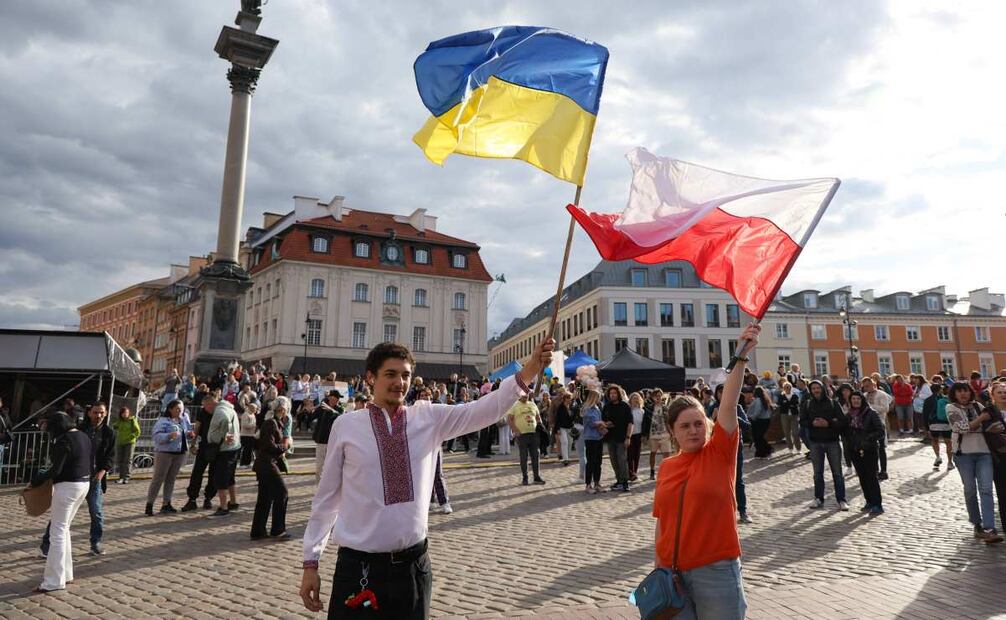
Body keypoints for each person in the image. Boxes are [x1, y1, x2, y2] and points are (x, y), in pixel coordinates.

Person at [299, 338, 554, 618]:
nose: (400, 382)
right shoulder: (346, 425)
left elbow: (485, 409)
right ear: (370, 378)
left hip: (412, 568)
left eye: (406, 375)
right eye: (391, 374)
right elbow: (327, 498)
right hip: (358, 569)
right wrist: (311, 562)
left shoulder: (429, 418)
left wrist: (531, 367)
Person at [651, 324, 760, 619]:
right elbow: (662, 520)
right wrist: (658, 564)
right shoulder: (667, 467)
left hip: (716, 571)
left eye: (699, 423)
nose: (694, 430)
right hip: (671, 575)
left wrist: (740, 356)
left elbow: (729, 403)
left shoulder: (720, 453)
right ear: (673, 432)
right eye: (685, 426)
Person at [30, 412, 92, 592]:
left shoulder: (64, 440)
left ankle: (53, 581)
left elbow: (56, 470)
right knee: (64, 530)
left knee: (57, 533)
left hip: (67, 487)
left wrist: (38, 477)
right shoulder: (83, 436)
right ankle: (66, 574)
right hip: (84, 483)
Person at [945, 383, 1003, 544]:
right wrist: (981, 419)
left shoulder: (978, 405)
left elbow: (989, 424)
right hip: (963, 454)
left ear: (970, 392)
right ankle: (977, 523)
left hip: (984, 452)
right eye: (959, 391)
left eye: (966, 390)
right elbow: (961, 427)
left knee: (986, 489)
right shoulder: (951, 408)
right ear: (954, 394)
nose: (963, 394)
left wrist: (989, 425)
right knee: (970, 490)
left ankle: (990, 528)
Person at [800, 380, 849, 510]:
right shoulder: (807, 404)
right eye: (813, 388)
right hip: (815, 442)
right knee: (817, 473)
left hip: (832, 441)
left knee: (837, 472)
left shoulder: (833, 403)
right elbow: (802, 420)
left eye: (818, 388)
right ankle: (818, 498)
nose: (816, 390)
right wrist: (812, 423)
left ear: (822, 389)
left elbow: (842, 421)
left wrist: (828, 423)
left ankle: (841, 499)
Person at [251, 396, 291, 540]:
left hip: (266, 464)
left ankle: (258, 531)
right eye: (282, 409)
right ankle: (278, 529)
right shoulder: (271, 423)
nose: (284, 411)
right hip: (267, 464)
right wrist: (284, 447)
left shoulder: (277, 423)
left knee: (265, 498)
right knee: (282, 493)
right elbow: (268, 445)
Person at [146, 399, 194, 516]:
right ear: (170, 409)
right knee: (158, 478)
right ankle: (150, 504)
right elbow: (156, 436)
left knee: (171, 479)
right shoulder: (163, 421)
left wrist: (189, 434)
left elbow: (187, 430)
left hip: (180, 452)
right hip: (165, 452)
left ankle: (166, 503)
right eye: (177, 409)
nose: (180, 411)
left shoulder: (184, 419)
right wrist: (168, 436)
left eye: (181, 409)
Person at [846, 391, 885, 515]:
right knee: (862, 477)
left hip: (869, 449)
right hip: (855, 449)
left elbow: (880, 431)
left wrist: (867, 439)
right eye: (853, 399)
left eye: (858, 399)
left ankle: (877, 503)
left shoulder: (871, 413)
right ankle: (869, 501)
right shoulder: (849, 415)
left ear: (862, 400)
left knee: (871, 477)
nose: (856, 401)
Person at [181, 394, 218, 511]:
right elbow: (197, 427)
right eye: (205, 406)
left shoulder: (220, 411)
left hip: (217, 447)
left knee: (213, 474)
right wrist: (193, 443)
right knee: (197, 473)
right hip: (204, 446)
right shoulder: (202, 412)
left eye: (210, 405)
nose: (208, 408)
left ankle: (208, 498)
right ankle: (192, 499)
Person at [207, 395, 242, 517]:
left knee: (221, 478)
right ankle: (233, 502)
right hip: (233, 448)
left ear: (210, 403)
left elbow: (225, 421)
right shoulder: (229, 408)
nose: (206, 410)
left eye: (206, 406)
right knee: (230, 477)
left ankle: (223, 507)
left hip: (224, 449)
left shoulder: (220, 411)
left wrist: (224, 434)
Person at [507, 392, 546, 485]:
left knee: (535, 456)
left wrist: (539, 425)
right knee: (524, 457)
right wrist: (515, 430)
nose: (525, 396)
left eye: (527, 395)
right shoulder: (515, 405)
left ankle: (536, 477)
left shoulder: (533, 404)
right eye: (523, 395)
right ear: (520, 395)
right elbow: (510, 419)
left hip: (534, 434)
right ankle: (525, 477)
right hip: (522, 435)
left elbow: (538, 417)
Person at [602, 385, 633, 492]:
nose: (612, 395)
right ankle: (619, 480)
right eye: (611, 393)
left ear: (618, 394)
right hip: (610, 438)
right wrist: (606, 424)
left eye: (614, 393)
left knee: (622, 460)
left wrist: (628, 437)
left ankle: (625, 482)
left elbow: (630, 423)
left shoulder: (625, 406)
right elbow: (603, 422)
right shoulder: (607, 407)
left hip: (622, 438)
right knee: (614, 461)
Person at [861, 377, 893, 480]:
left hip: (879, 423)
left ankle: (883, 471)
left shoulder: (881, 394)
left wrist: (871, 407)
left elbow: (885, 408)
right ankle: (874, 469)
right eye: (865, 386)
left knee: (881, 448)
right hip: (867, 425)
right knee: (871, 449)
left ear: (873, 384)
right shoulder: (864, 396)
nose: (867, 388)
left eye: (868, 385)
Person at [313, 391, 343, 482]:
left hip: (334, 443)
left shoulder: (340, 409)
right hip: (321, 441)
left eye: (338, 398)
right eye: (336, 397)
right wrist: (308, 409)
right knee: (319, 468)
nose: (337, 399)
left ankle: (331, 489)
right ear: (330, 398)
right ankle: (319, 489)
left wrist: (331, 410)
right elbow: (312, 416)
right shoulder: (322, 408)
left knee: (333, 468)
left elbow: (341, 416)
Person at [580, 388, 607, 493]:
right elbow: (592, 423)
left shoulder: (597, 408)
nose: (599, 398)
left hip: (599, 437)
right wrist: (603, 423)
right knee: (590, 462)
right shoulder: (587, 409)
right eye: (598, 397)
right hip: (590, 438)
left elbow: (599, 423)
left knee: (598, 462)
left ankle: (597, 483)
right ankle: (588, 485)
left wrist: (603, 425)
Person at [923, 380, 953, 471]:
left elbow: (925, 414)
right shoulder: (946, 399)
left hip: (933, 424)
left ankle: (938, 457)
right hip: (945, 423)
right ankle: (950, 462)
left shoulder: (927, 400)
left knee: (935, 440)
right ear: (940, 390)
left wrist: (926, 427)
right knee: (948, 442)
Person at [646, 389, 672, 480]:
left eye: (659, 395)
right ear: (653, 397)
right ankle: (652, 472)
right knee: (653, 453)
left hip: (665, 435)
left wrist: (671, 433)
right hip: (653, 435)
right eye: (656, 396)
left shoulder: (665, 407)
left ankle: (666, 472)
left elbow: (669, 421)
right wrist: (644, 435)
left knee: (667, 455)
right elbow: (645, 422)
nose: (658, 397)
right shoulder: (649, 407)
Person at [111, 406, 141, 484]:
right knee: (120, 460)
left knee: (127, 460)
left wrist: (130, 437)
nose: (125, 414)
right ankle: (121, 477)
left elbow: (137, 431)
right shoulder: (120, 421)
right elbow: (114, 426)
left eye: (126, 413)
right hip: (120, 442)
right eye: (123, 413)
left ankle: (126, 477)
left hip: (129, 442)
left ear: (129, 413)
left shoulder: (132, 420)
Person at [747, 386, 774, 459]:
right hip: (764, 420)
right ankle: (763, 451)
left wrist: (752, 417)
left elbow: (758, 411)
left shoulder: (758, 400)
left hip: (759, 420)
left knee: (758, 437)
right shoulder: (763, 399)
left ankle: (764, 451)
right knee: (759, 437)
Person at [776, 382, 801, 454]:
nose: (788, 389)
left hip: (794, 415)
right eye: (786, 387)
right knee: (787, 432)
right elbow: (781, 404)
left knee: (795, 433)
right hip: (784, 415)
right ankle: (790, 448)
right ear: (784, 388)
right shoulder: (781, 396)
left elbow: (796, 403)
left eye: (789, 387)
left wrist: (787, 403)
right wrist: (790, 404)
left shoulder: (795, 396)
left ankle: (798, 448)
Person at [627, 392, 645, 481]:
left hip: (638, 435)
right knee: (630, 455)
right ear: (630, 400)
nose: (635, 400)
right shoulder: (628, 410)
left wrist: (643, 435)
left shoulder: (642, 411)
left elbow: (644, 424)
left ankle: (635, 472)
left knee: (637, 455)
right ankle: (631, 473)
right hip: (630, 435)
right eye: (634, 398)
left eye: (637, 398)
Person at [554, 391, 575, 466]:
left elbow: (573, 417)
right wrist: (557, 429)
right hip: (561, 427)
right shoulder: (561, 407)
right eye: (567, 398)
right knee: (564, 442)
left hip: (569, 427)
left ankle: (568, 457)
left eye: (570, 398)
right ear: (564, 399)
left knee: (570, 442)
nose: (569, 399)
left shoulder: (572, 407)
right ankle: (565, 459)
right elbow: (557, 419)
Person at [239, 402, 258, 468]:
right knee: (246, 450)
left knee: (249, 450)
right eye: (255, 408)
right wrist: (254, 425)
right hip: (245, 435)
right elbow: (244, 425)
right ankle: (243, 463)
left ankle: (248, 462)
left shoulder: (253, 415)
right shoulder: (245, 414)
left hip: (251, 435)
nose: (256, 410)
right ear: (251, 408)